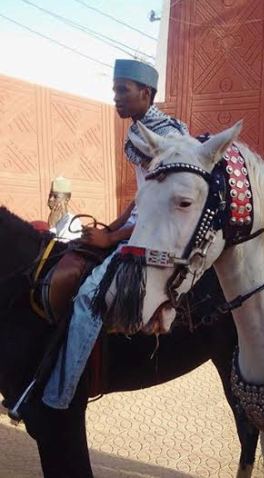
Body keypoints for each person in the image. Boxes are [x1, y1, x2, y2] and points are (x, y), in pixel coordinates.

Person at [42, 59, 188, 409]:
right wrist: (112, 226)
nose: (115, 98)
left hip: (159, 233)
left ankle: (61, 395)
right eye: (114, 90)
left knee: (89, 299)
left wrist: (113, 238)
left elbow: (163, 209)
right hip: (139, 224)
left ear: (146, 93)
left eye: (122, 90)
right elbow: (143, 197)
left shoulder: (167, 137)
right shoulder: (139, 128)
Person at [47, 176, 82, 242]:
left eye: (55, 196)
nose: (50, 199)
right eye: (50, 196)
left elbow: (61, 250)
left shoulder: (72, 222)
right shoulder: (55, 219)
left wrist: (52, 227)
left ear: (67, 199)